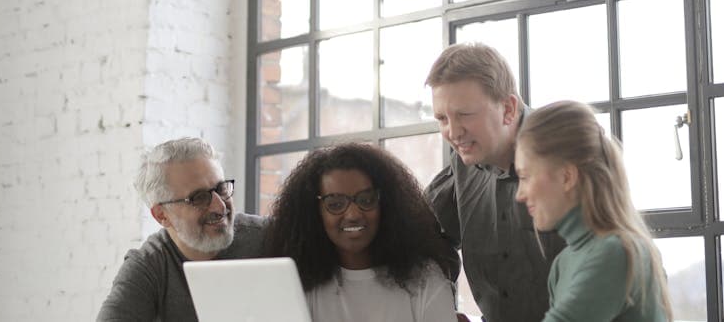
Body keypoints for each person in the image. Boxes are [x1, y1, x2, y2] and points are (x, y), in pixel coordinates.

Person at [425, 42, 565, 322]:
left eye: (464, 114)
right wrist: (442, 310)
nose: (453, 132)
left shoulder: (569, 149)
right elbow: (426, 237)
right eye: (442, 118)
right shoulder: (463, 162)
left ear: (508, 109)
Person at [264, 142, 459, 322]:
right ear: (313, 213)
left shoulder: (424, 277)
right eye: (336, 204)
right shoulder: (296, 282)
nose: (353, 214)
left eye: (366, 200)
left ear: (387, 205)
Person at [515, 101, 673, 322]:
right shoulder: (562, 264)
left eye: (525, 177)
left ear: (567, 177)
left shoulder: (617, 252)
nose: (519, 195)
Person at [97, 137, 266, 321]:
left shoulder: (270, 236)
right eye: (199, 198)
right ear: (162, 215)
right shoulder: (149, 266)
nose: (220, 207)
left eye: (221, 188)